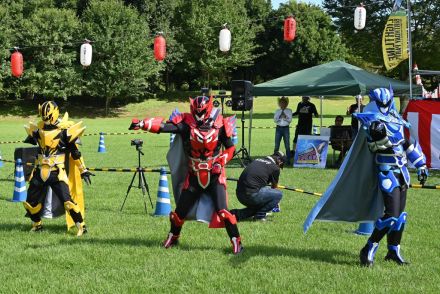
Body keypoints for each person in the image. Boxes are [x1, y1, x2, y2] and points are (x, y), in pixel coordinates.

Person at [129, 96, 243, 254]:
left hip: (215, 175)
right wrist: (142, 123)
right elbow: (165, 127)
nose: (199, 115)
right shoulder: (186, 123)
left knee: (223, 212)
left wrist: (220, 162)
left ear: (208, 108)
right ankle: (173, 237)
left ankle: (236, 241)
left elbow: (230, 148)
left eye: (202, 112)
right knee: (179, 213)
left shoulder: (220, 124)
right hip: (194, 176)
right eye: (196, 112)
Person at [356, 87, 428, 266]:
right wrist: (377, 135)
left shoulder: (396, 120)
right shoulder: (371, 121)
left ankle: (393, 251)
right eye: (381, 102)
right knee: (391, 215)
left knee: (400, 215)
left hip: (402, 172)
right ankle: (368, 248)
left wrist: (421, 164)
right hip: (387, 171)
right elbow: (373, 147)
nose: (384, 105)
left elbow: (407, 144)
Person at [23, 101, 93, 236]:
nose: (46, 120)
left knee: (68, 201)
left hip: (57, 171)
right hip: (40, 171)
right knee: (30, 201)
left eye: (48, 117)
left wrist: (82, 169)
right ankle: (37, 225)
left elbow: (75, 152)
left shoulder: (65, 131)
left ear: (54, 113)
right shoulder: (38, 129)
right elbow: (36, 146)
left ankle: (81, 227)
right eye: (43, 117)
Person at [231, 151, 285, 222]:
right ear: (279, 160)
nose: (279, 166)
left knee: (260, 205)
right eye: (280, 164)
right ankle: (260, 216)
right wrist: (276, 203)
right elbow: (274, 187)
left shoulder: (257, 160)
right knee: (278, 195)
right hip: (251, 195)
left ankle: (237, 214)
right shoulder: (275, 168)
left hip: (239, 194)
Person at [274, 96, 292, 165]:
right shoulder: (277, 111)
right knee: (276, 145)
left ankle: (288, 161)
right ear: (279, 104)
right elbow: (275, 120)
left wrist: (285, 117)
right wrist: (279, 116)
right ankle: (275, 159)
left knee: (287, 145)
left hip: (286, 128)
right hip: (278, 128)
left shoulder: (289, 110)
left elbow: (290, 120)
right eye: (281, 102)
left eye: (284, 102)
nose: (282, 104)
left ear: (286, 103)